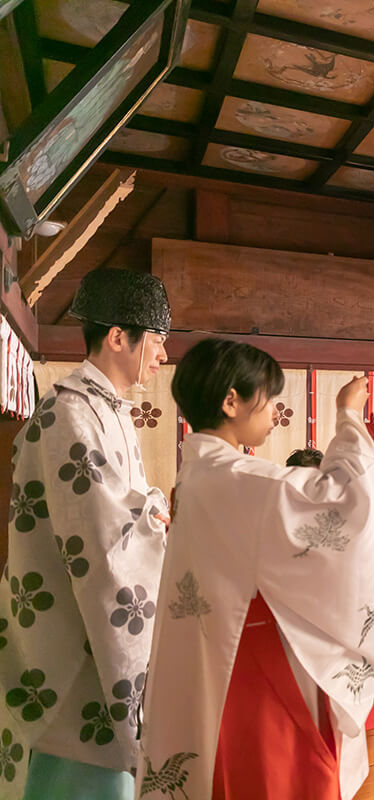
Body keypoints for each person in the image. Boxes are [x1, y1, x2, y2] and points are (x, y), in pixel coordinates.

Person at [137, 339, 374, 800]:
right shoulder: (235, 478)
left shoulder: (203, 473)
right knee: (283, 775)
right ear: (231, 400)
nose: (275, 411)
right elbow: (339, 505)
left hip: (229, 651)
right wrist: (348, 416)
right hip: (260, 659)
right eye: (268, 398)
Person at [0, 268, 170, 800]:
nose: (162, 357)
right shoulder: (70, 414)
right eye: (158, 342)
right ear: (119, 337)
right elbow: (97, 540)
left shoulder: (104, 410)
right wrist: (152, 519)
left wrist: (150, 511)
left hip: (86, 623)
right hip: (72, 636)